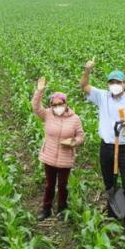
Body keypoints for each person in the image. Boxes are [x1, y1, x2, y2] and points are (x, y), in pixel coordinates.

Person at [80, 60, 125, 232]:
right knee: (109, 182)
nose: (114, 85)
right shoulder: (103, 96)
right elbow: (84, 86)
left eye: (118, 82)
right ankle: (112, 211)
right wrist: (87, 70)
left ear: (124, 83)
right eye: (111, 82)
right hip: (106, 147)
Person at [32, 77, 85, 221]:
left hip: (65, 157)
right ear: (51, 105)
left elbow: (81, 136)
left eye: (60, 104)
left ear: (66, 103)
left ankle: (62, 209)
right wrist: (40, 91)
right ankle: (46, 209)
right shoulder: (47, 115)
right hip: (49, 155)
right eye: (54, 105)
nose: (57, 107)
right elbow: (36, 107)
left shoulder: (75, 119)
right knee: (49, 184)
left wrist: (74, 141)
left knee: (63, 185)